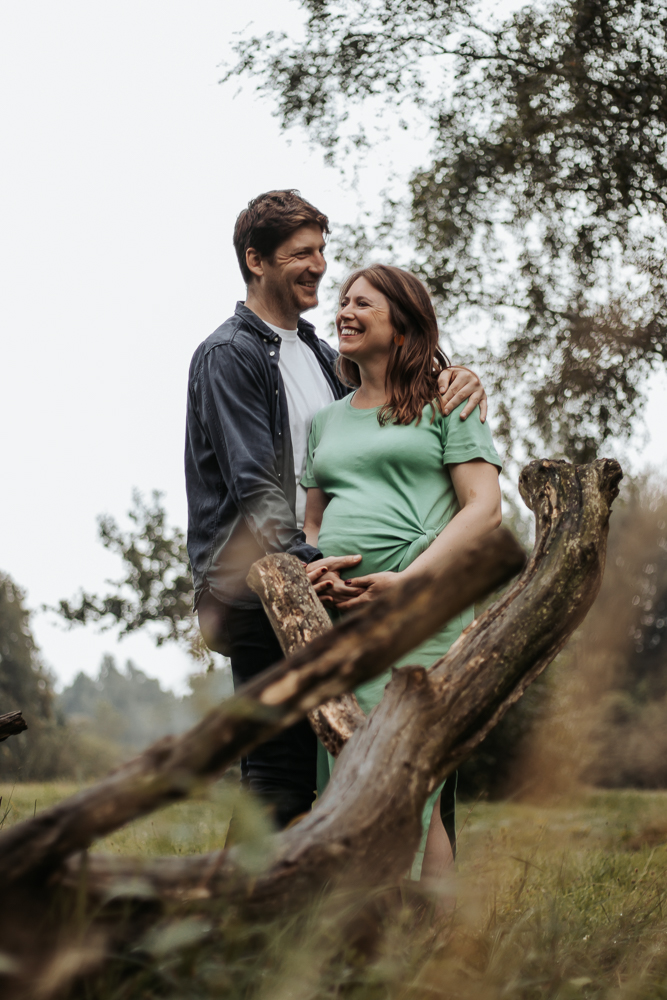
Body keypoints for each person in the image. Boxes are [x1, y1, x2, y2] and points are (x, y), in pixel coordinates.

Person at [185, 190, 489, 831]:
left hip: (335, 590)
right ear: (255, 260)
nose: (320, 265)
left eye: (322, 250)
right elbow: (256, 487)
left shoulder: (326, 358)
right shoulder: (228, 355)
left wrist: (458, 374)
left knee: (388, 759)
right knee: (280, 770)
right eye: (301, 253)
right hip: (267, 590)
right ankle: (258, 921)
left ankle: (394, 915)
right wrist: (309, 565)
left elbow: (393, 401)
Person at [301, 264, 502, 881]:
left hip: (422, 612)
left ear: (403, 324)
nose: (345, 312)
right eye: (342, 302)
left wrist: (410, 578)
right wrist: (319, 571)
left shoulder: (448, 399)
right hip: (345, 617)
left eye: (363, 303)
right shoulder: (325, 421)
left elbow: (484, 509)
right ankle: (372, 931)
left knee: (413, 781)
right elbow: (312, 526)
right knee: (350, 773)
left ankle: (413, 939)